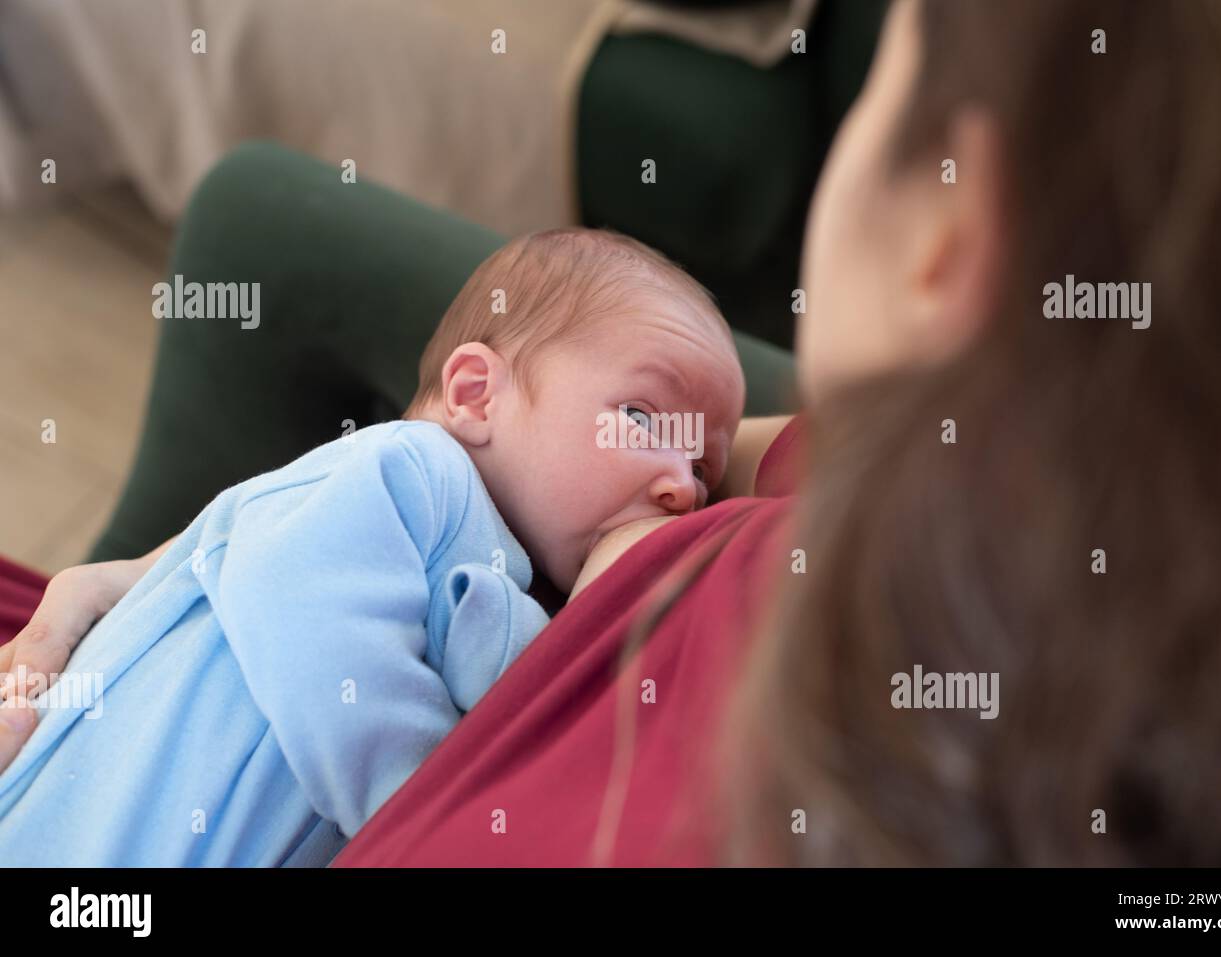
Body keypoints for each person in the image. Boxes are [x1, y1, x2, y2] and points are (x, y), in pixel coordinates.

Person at [4, 0, 1221, 866]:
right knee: (258, 220)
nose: (688, 476)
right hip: (164, 741)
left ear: (948, 243)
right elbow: (305, 565)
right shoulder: (424, 475)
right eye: (655, 428)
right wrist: (167, 572)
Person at [0, 227, 743, 866]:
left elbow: (508, 688)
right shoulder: (410, 468)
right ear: (477, 395)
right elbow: (302, 610)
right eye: (644, 419)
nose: (681, 486)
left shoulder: (510, 578)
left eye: (705, 469)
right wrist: (423, 800)